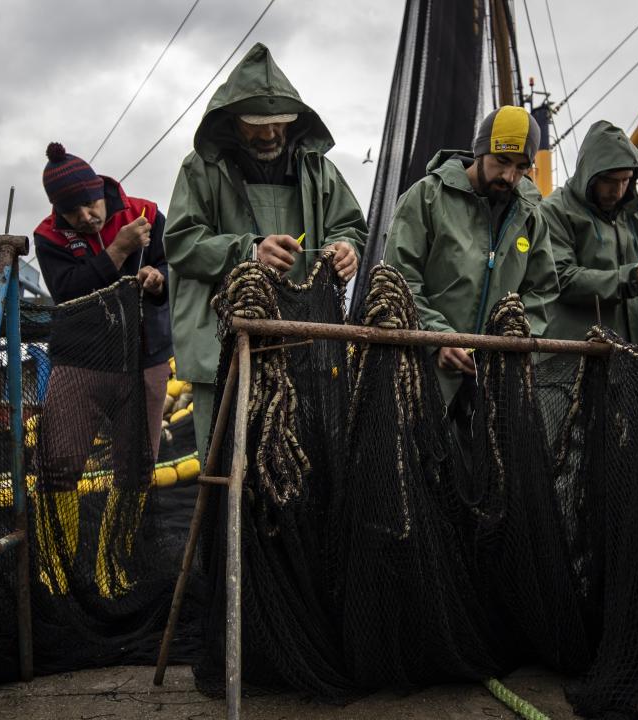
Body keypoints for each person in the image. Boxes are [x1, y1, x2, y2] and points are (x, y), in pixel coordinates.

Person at [164, 43, 367, 457]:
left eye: (280, 122)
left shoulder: (319, 170)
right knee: (226, 469)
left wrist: (347, 247)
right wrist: (250, 252)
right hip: (224, 349)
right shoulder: (200, 169)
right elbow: (181, 242)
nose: (271, 132)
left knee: (306, 465)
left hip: (306, 349)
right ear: (233, 121)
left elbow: (350, 226)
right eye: (258, 124)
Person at [32, 141, 173, 595]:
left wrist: (157, 280)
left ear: (101, 191)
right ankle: (57, 579)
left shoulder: (145, 211)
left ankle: (116, 572)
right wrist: (117, 251)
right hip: (80, 361)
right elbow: (67, 294)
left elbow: (174, 268)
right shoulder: (48, 235)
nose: (86, 217)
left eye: (90, 205)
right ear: (58, 211)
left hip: (145, 359)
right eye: (73, 213)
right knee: (57, 464)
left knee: (137, 468)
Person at [383, 105, 559, 405]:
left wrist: (513, 338)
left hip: (495, 383)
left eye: (521, 167)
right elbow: (398, 279)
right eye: (501, 161)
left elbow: (542, 290)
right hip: (421, 374)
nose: (509, 175)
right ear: (479, 151)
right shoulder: (426, 197)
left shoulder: (531, 215)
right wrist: (437, 339)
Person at [539, 120, 638, 342]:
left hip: (632, 357)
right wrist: (631, 278)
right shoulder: (554, 210)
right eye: (610, 181)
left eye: (626, 180)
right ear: (589, 175)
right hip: (576, 356)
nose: (618, 191)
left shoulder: (634, 214)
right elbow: (560, 279)